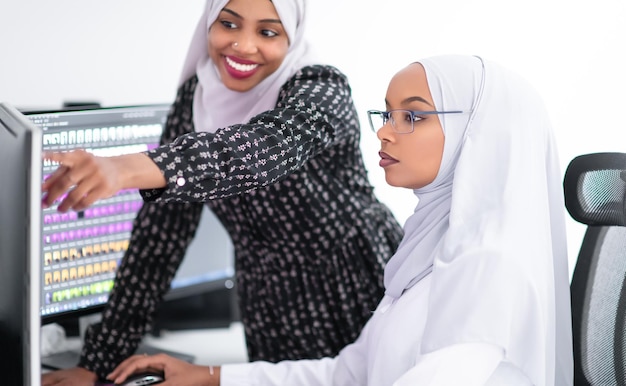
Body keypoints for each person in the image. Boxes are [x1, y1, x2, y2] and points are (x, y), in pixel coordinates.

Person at [102, 54, 574, 385]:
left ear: (477, 134)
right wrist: (208, 377)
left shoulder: (489, 268)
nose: (385, 133)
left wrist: (131, 168)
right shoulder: (431, 247)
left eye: (413, 117)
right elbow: (350, 375)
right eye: (387, 114)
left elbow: (269, 147)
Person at [40, 0, 403, 384]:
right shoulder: (195, 100)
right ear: (208, 25)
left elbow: (262, 149)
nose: (243, 46)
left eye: (267, 32)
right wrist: (97, 364)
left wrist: (127, 168)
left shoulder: (322, 90)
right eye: (229, 24)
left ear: (292, 35)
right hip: (268, 305)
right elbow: (159, 241)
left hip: (355, 285)